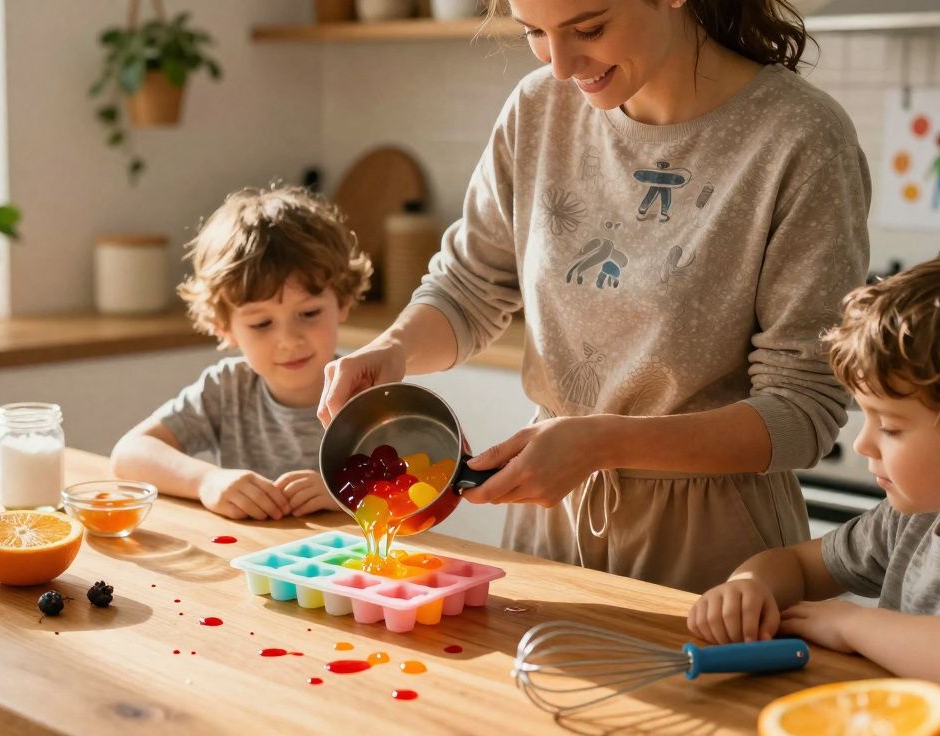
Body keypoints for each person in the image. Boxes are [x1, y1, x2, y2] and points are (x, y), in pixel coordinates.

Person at [318, 0, 871, 593]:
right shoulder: (538, 110)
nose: (560, 66)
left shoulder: (800, 139)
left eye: (589, 28)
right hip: (550, 520)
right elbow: (468, 287)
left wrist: (600, 442)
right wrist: (394, 349)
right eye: (534, 33)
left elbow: (801, 413)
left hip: (718, 549)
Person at [687, 239, 940, 700]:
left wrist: (852, 623)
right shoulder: (909, 521)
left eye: (889, 426)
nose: (863, 442)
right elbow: (794, 566)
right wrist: (748, 587)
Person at [111, 185, 372, 520]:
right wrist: (207, 479)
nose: (289, 340)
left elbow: (421, 490)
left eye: (308, 314)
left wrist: (346, 492)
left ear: (343, 302)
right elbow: (129, 454)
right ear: (225, 327)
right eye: (262, 323)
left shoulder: (368, 389)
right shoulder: (227, 389)